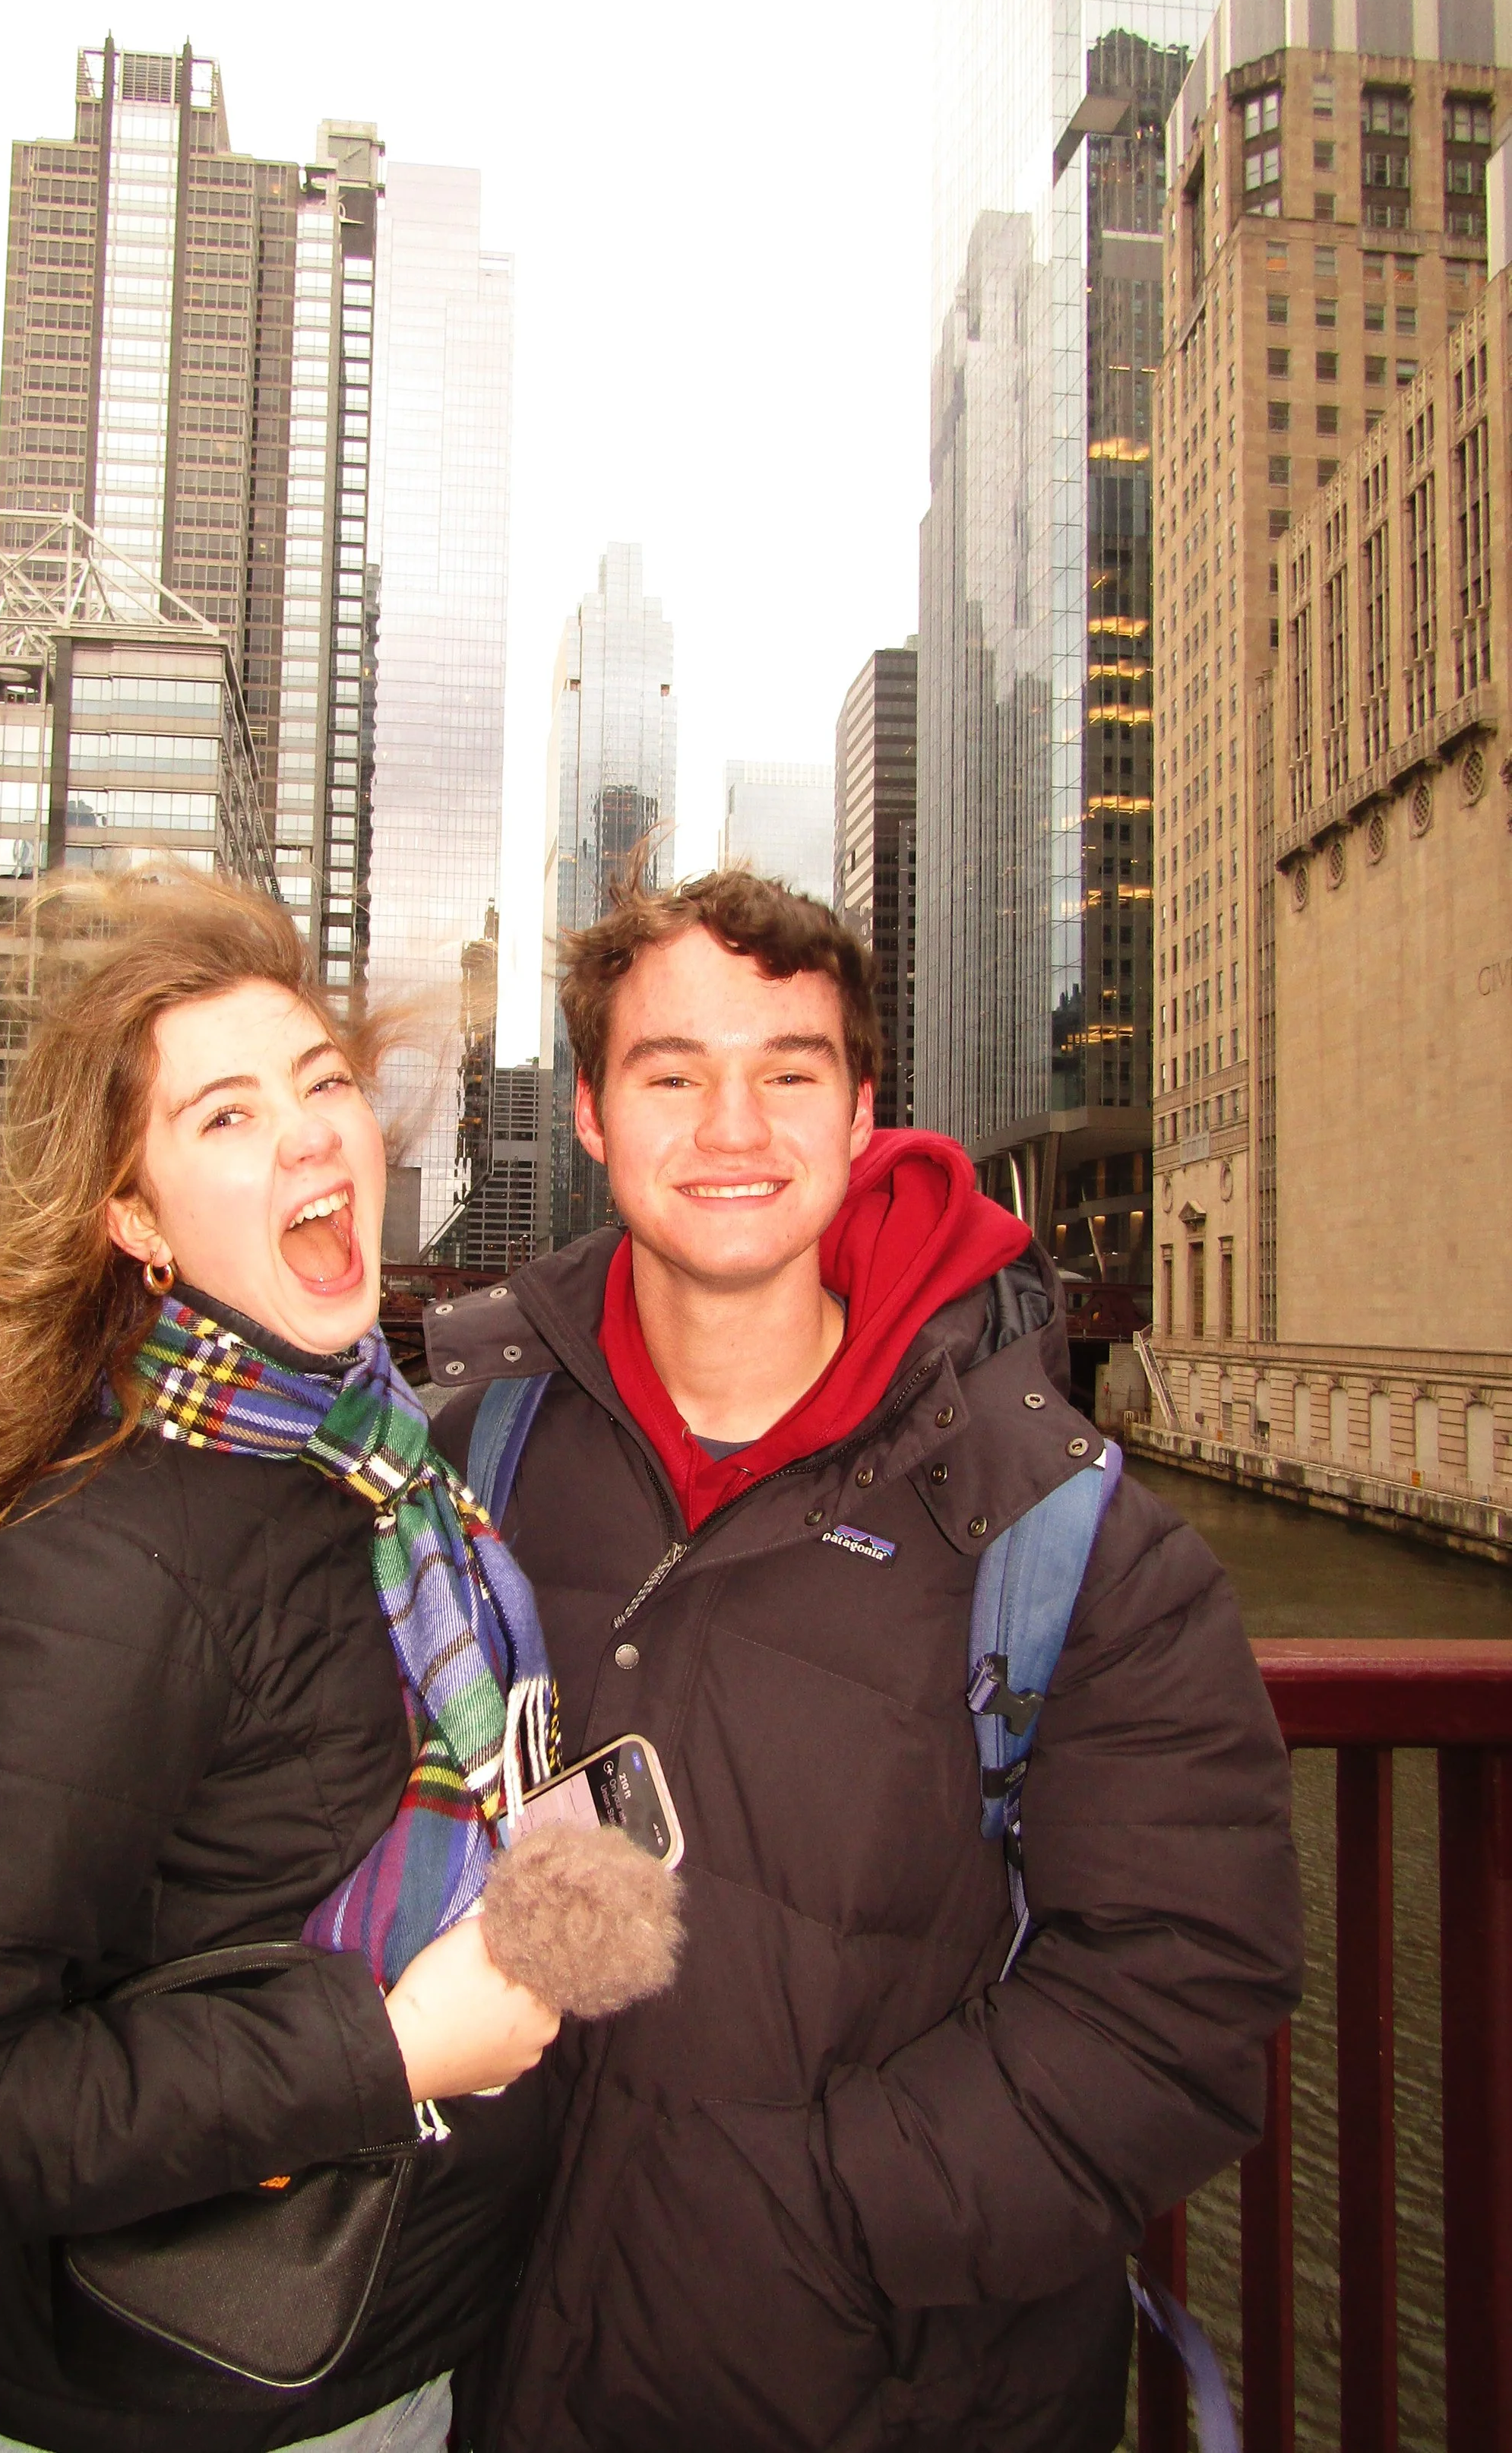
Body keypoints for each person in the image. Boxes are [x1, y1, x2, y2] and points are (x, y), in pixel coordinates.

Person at [427, 869, 1305, 2453]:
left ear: (859, 1113)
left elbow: (1180, 1992)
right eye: (671, 1074)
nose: (732, 1129)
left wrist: (825, 2216)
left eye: (787, 1071)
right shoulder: (471, 1457)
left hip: (893, 2391)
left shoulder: (1059, 1535)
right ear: (588, 1115)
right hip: (495, 2367)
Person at [0, 872, 563, 2453]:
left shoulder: (383, 1475)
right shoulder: (105, 1567)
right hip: (172, 2411)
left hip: (387, 2365)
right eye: (221, 1117)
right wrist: (386, 2048)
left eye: (322, 1084)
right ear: (131, 1219)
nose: (303, 1135)